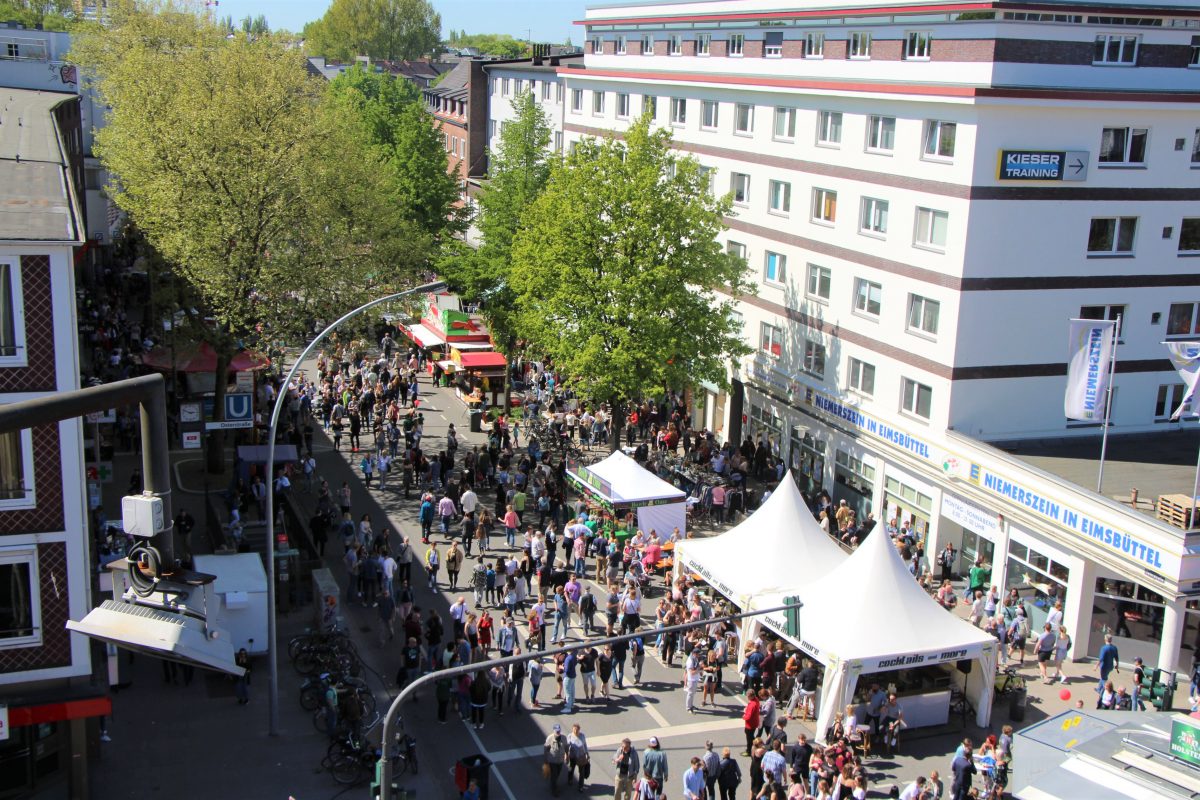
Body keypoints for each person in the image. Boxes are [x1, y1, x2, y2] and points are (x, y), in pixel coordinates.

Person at [545, 723, 568, 796]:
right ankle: (554, 790)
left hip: (560, 760)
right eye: (556, 731)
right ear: (554, 730)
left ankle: (553, 783)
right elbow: (546, 748)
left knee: (558, 773)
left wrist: (567, 755)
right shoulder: (550, 738)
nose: (558, 732)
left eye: (559, 731)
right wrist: (545, 759)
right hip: (552, 760)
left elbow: (566, 746)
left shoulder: (564, 738)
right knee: (554, 774)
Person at [566, 722, 590, 791]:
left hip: (581, 757)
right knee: (571, 768)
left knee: (581, 772)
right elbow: (567, 746)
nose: (575, 731)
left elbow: (585, 745)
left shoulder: (582, 735)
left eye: (577, 730)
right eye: (574, 730)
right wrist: (566, 755)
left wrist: (587, 754)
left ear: (579, 730)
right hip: (573, 756)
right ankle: (570, 779)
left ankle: (581, 786)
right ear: (572, 729)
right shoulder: (570, 736)